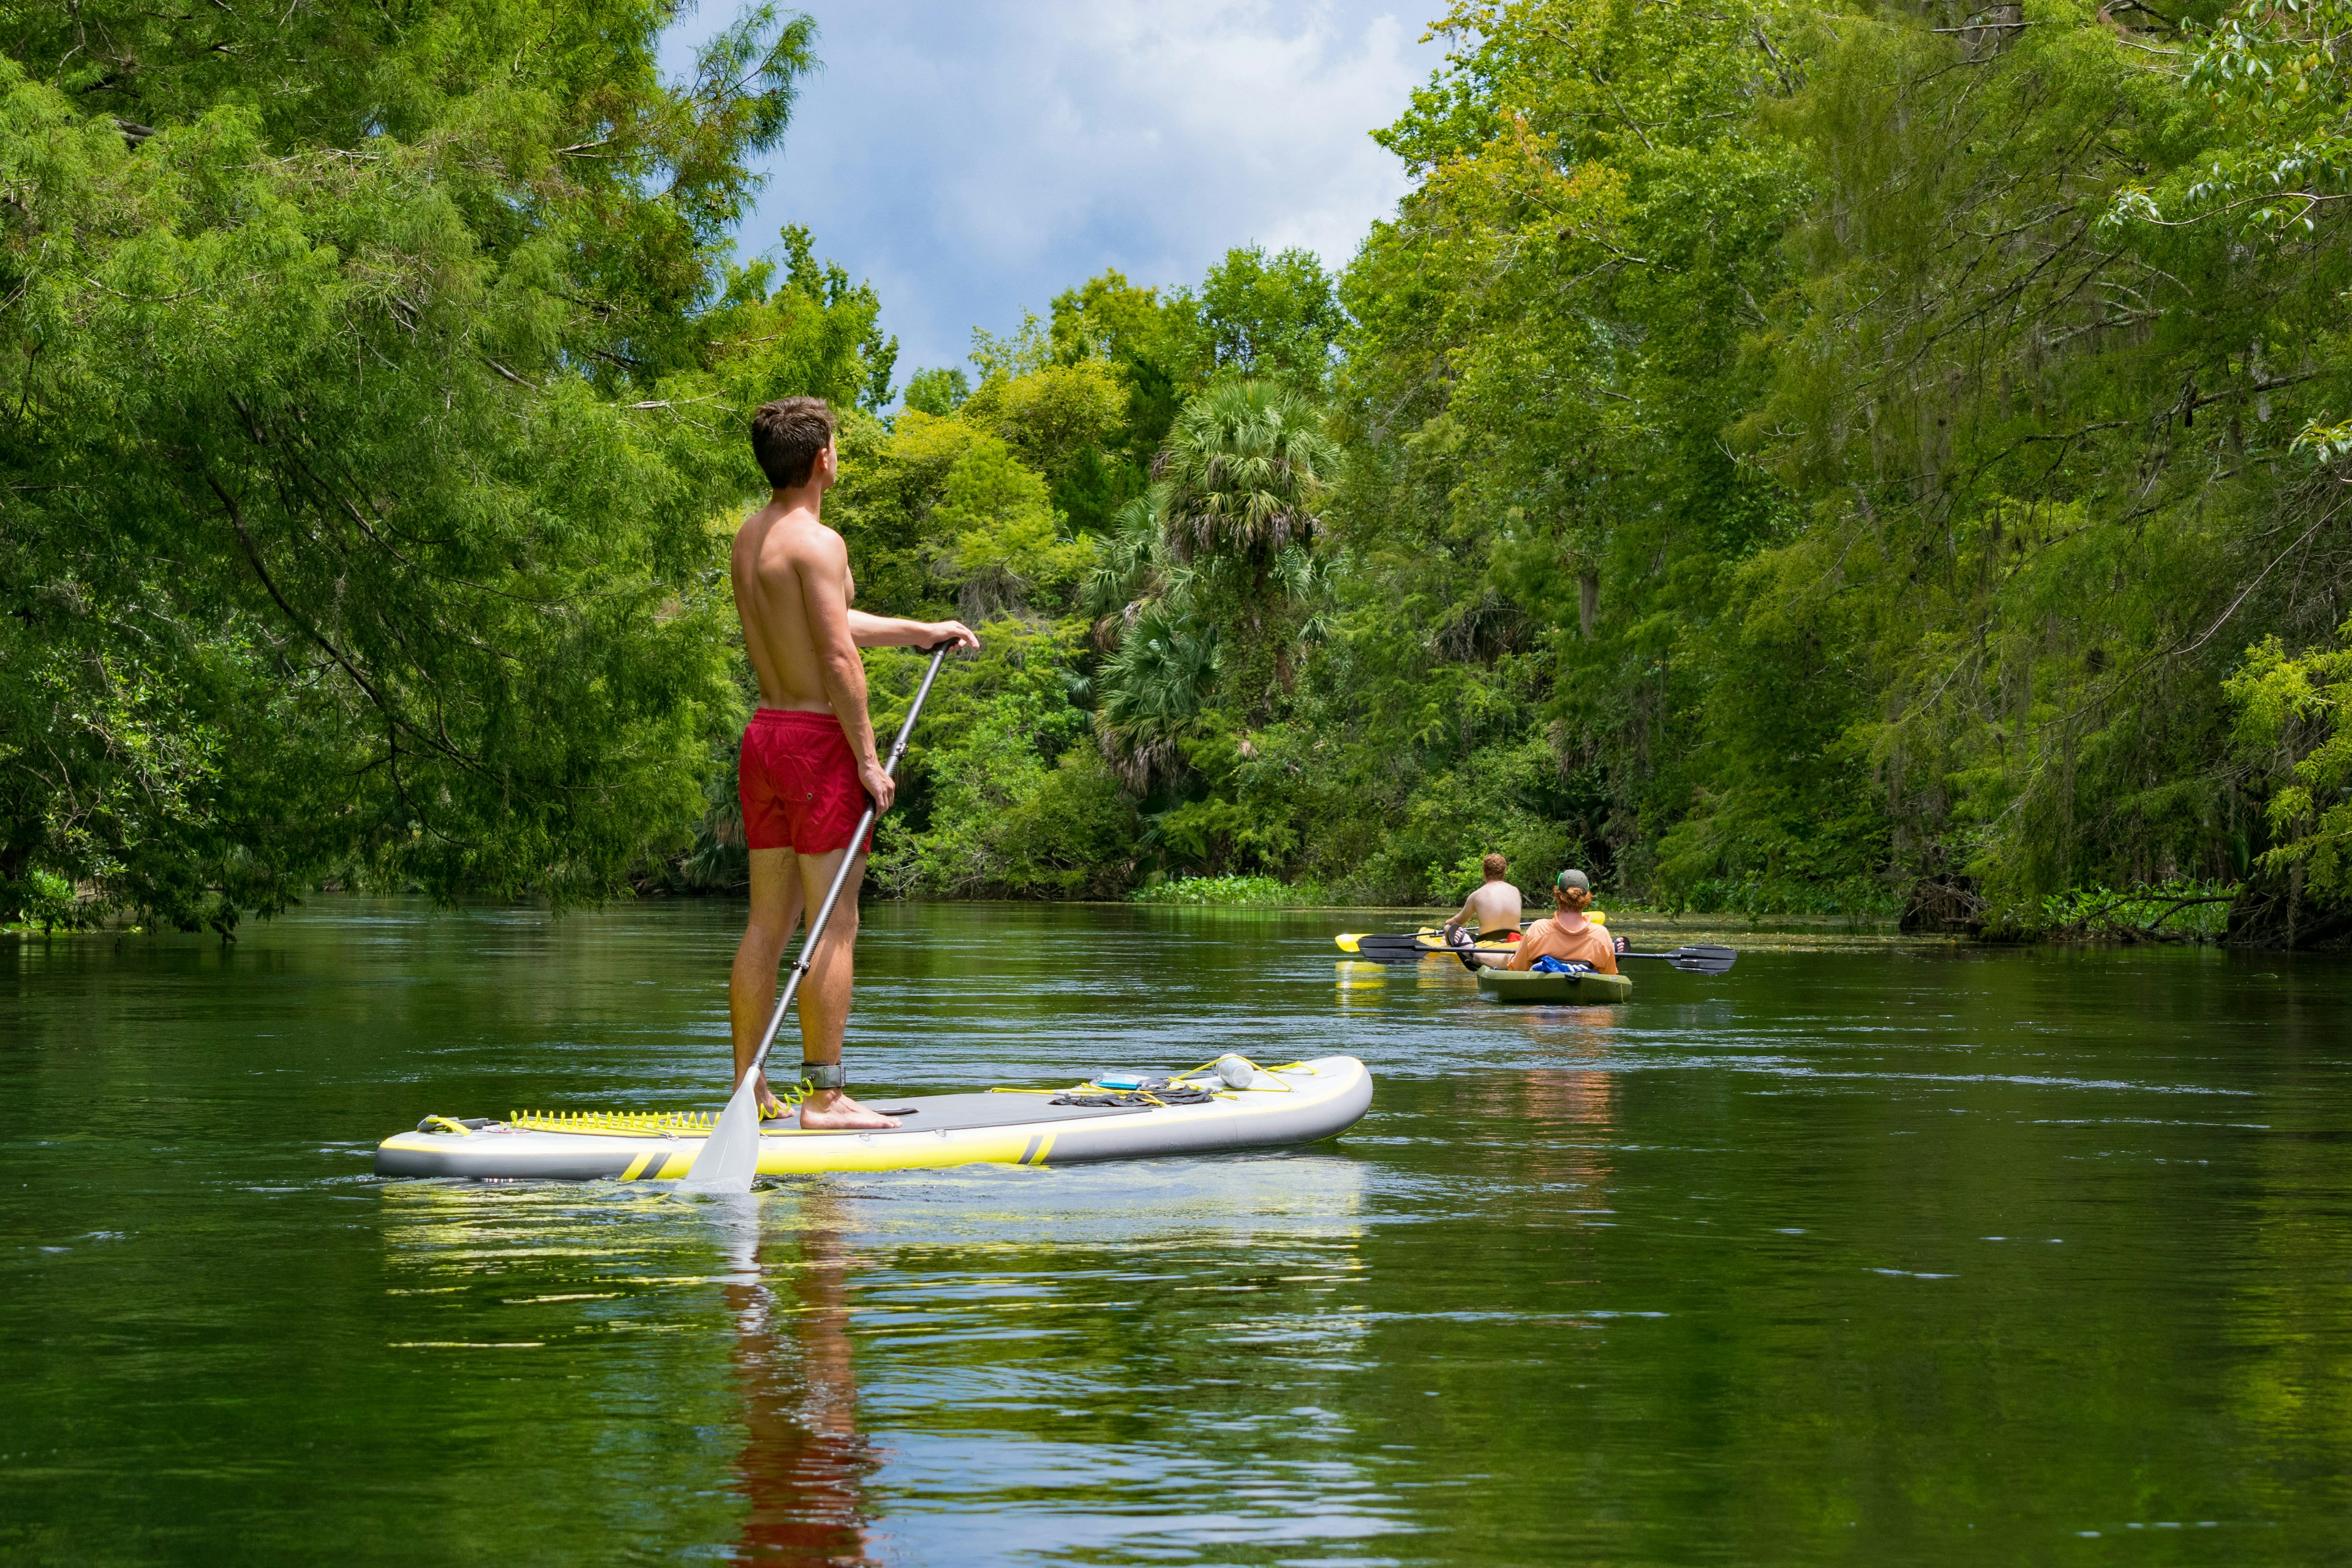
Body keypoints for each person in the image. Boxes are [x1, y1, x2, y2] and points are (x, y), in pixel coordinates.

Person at [729, 396, 978, 1131]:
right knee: (835, 922)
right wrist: (868, 758)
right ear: (820, 459)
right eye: (835, 443)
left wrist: (919, 631)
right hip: (814, 745)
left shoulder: (752, 538)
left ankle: (751, 1088)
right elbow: (837, 657)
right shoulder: (821, 542)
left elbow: (831, 625)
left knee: (766, 925)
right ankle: (827, 1098)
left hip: (765, 737)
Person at [1506, 869, 1627, 973]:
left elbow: (1517, 969)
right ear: (1587, 897)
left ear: (1558, 895)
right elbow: (1609, 975)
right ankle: (1611, 952)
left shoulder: (1538, 929)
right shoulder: (1601, 935)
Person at [1444, 853, 1526, 943]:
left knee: (1448, 928)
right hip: (1513, 942)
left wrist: (1447, 923)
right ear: (1504, 872)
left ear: (1484, 872)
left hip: (1487, 943)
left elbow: (1457, 922)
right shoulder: (1515, 891)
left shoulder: (1476, 896)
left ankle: (1447, 947)